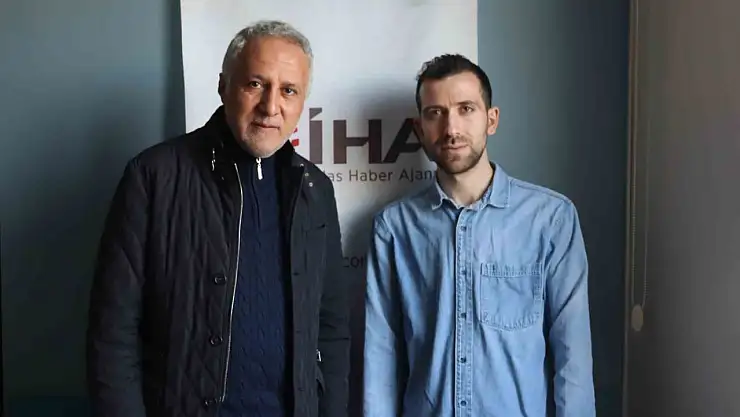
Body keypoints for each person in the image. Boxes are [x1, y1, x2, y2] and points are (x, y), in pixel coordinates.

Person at [86, 20, 350, 417]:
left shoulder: (315, 190)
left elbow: (331, 328)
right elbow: (112, 333)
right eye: (255, 84)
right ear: (224, 86)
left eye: (288, 90)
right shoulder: (154, 176)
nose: (271, 106)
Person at [363, 54, 595, 417]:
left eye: (466, 109)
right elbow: (380, 356)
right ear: (419, 128)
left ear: (492, 119)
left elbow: (573, 356)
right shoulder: (394, 228)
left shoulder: (550, 219)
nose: (451, 128)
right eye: (436, 113)